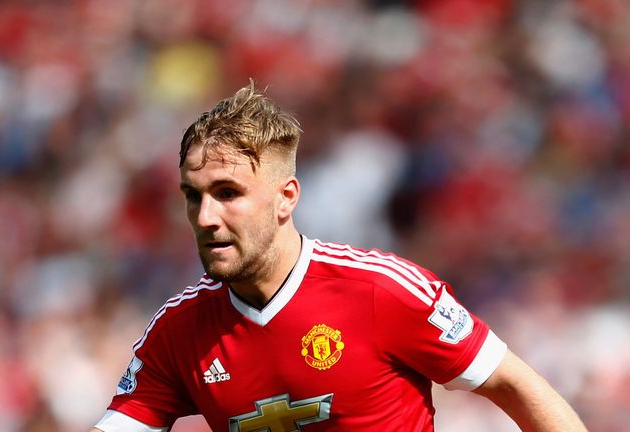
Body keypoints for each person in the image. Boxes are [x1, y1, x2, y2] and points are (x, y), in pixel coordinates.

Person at [91, 82, 587, 432]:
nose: (205, 217)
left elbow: (514, 384)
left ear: (286, 197)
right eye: (193, 196)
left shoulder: (380, 290)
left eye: (227, 193)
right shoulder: (178, 332)